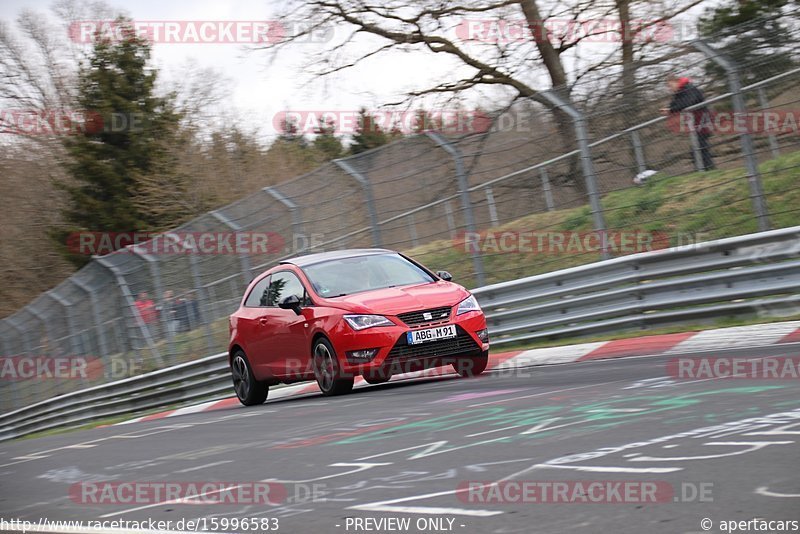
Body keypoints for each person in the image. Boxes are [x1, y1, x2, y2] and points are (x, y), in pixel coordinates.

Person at [661, 74, 715, 171]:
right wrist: (669, 109)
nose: (670, 88)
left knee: (700, 147)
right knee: (698, 147)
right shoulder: (680, 92)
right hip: (696, 122)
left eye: (670, 85)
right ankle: (705, 169)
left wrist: (671, 110)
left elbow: (687, 103)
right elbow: (675, 104)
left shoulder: (688, 89)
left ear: (676, 82)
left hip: (702, 120)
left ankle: (705, 169)